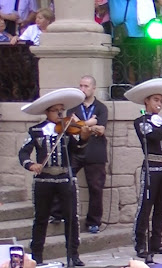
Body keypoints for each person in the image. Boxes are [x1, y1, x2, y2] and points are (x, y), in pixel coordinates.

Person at [18, 88, 90, 266]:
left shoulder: (67, 129)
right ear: (47, 112)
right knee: (41, 218)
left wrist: (84, 135)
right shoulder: (35, 130)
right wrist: (30, 164)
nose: (59, 114)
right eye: (55, 110)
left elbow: (78, 148)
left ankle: (73, 254)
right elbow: (23, 152)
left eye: (61, 110)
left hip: (65, 178)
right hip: (44, 180)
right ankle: (37, 256)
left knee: (71, 218)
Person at [123, 78, 162, 258]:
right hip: (152, 168)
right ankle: (140, 244)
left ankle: (156, 242)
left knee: (161, 207)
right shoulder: (141, 121)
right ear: (147, 101)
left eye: (160, 100)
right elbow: (156, 136)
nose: (159, 104)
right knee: (146, 205)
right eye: (156, 100)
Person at [66, 75, 108, 234]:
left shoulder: (101, 108)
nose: (82, 89)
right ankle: (58, 213)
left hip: (95, 151)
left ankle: (93, 222)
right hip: (76, 149)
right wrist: (90, 124)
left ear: (93, 88)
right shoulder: (73, 107)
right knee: (65, 179)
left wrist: (80, 124)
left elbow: (101, 130)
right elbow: (70, 128)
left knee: (96, 187)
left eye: (86, 86)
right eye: (81, 85)